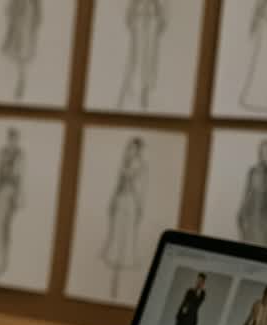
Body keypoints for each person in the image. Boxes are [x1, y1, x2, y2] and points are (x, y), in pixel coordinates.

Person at [103, 137, 146, 300]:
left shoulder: (140, 166)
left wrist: (139, 207)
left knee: (126, 235)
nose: (130, 151)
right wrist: (113, 201)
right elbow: (118, 185)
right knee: (117, 232)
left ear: (138, 150)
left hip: (130, 202)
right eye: (129, 148)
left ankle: (119, 276)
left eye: (133, 148)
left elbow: (139, 189)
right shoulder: (126, 163)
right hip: (122, 200)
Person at [0, 127, 24, 277]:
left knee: (5, 229)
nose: (12, 141)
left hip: (10, 193)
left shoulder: (20, 155)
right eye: (10, 138)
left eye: (14, 138)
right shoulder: (2, 153)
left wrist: (18, 196)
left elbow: (19, 177)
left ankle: (2, 264)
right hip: (0, 193)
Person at [120, 0, 167, 110]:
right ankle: (134, 90)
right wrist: (136, 21)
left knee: (149, 62)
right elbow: (129, 16)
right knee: (136, 61)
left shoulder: (155, 4)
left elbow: (161, 20)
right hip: (139, 29)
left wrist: (155, 21)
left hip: (150, 30)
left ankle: (144, 91)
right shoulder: (136, 4)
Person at [237, 139, 267, 247]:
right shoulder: (252, 171)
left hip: (265, 218)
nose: (263, 155)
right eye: (261, 152)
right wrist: (241, 213)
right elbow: (247, 193)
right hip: (251, 215)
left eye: (266, 152)